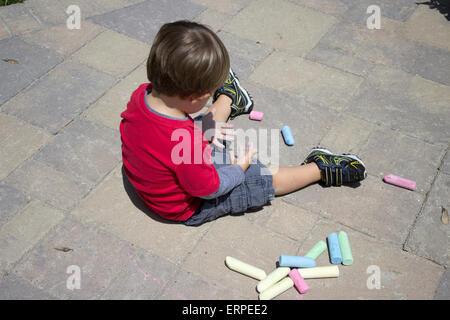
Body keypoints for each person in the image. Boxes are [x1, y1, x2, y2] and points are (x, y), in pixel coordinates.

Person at [120, 20, 367, 226]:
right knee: (259, 178)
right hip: (187, 205)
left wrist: (201, 132)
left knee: (207, 125)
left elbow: (163, 136)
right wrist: (239, 169)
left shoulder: (143, 94)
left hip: (156, 174)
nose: (206, 98)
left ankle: (230, 98)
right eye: (208, 94)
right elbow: (207, 189)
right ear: (194, 98)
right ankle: (320, 169)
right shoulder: (188, 146)